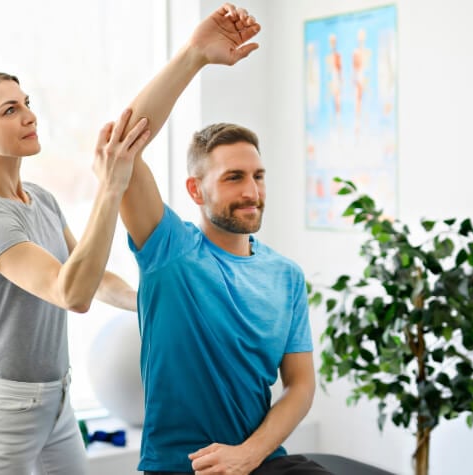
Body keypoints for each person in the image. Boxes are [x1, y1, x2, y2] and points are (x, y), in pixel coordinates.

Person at [117, 4, 331, 475]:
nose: (252, 192)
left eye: (258, 175)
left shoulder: (286, 276)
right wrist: (194, 55)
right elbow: (121, 145)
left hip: (260, 464)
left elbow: (300, 386)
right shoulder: (170, 252)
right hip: (180, 468)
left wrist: (250, 453)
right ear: (196, 189)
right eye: (234, 177)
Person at [0, 71, 150, 474]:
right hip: (2, 414)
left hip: (56, 404)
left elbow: (93, 276)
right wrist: (110, 188)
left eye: (27, 104)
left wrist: (149, 303)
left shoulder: (41, 200)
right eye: (10, 110)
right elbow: (70, 293)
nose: (29, 117)